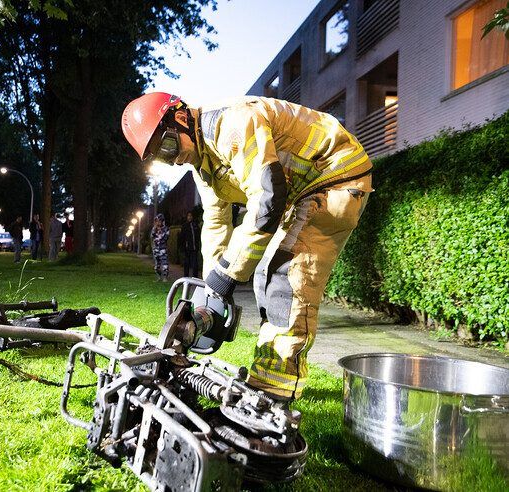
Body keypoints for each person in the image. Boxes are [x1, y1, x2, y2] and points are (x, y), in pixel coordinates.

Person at [121, 93, 372, 404]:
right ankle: (271, 379)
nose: (174, 160)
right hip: (304, 189)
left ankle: (274, 393)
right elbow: (215, 223)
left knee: (285, 277)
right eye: (163, 157)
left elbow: (267, 199)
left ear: (182, 119)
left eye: (169, 147)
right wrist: (211, 288)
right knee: (263, 275)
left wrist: (228, 273)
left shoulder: (233, 124)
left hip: (334, 176)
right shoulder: (204, 163)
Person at [179, 211, 201, 278]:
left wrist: (197, 245)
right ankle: (186, 277)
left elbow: (198, 235)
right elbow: (182, 237)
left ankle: (195, 278)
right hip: (187, 248)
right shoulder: (185, 226)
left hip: (194, 248)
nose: (189, 217)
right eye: (188, 216)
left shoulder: (195, 225)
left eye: (191, 216)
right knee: (187, 264)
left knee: (195, 264)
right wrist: (183, 247)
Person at [151, 213, 170, 281]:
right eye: (157, 221)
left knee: (165, 264)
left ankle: (165, 277)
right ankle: (159, 277)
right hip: (156, 249)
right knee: (157, 265)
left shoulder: (166, 229)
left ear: (162, 221)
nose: (158, 222)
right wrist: (155, 229)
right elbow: (152, 237)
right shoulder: (154, 229)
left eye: (159, 220)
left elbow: (165, 238)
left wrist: (158, 238)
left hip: (163, 249)